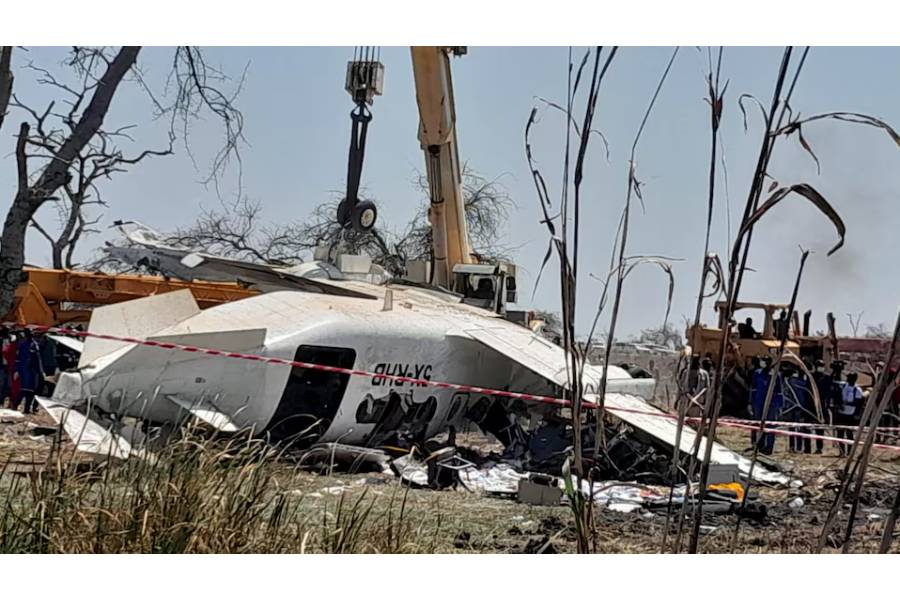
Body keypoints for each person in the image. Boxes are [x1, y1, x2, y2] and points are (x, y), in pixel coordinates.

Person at [751, 357, 783, 454]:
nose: (762, 363)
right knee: (757, 424)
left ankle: (769, 447)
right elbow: (753, 389)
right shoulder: (757, 373)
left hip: (771, 404)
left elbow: (779, 391)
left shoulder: (775, 374)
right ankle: (757, 445)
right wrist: (750, 402)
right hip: (758, 402)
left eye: (764, 361)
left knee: (770, 426)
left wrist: (780, 405)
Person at [785, 366, 814, 453]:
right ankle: (797, 447)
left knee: (794, 428)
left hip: (795, 407)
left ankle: (794, 446)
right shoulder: (803, 383)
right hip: (798, 407)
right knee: (797, 428)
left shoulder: (792, 381)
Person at [14, 328, 43, 414]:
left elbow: (37, 359)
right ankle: (19, 406)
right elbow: (19, 358)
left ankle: (24, 408)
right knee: (26, 390)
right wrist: (17, 370)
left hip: (31, 370)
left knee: (29, 390)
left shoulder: (33, 344)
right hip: (26, 370)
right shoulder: (25, 345)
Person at [836, 371, 864, 456]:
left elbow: (859, 403)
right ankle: (841, 451)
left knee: (849, 433)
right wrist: (840, 404)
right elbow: (839, 397)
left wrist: (856, 414)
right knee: (840, 433)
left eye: (849, 378)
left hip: (850, 414)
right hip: (841, 412)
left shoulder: (857, 390)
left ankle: (850, 452)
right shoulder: (844, 386)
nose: (847, 379)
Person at [810, 359, 833, 454]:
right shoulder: (811, 376)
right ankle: (806, 448)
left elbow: (829, 392)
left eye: (822, 366)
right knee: (807, 427)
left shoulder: (827, 378)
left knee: (820, 428)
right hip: (811, 404)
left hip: (823, 405)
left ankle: (819, 447)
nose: (821, 367)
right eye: (819, 365)